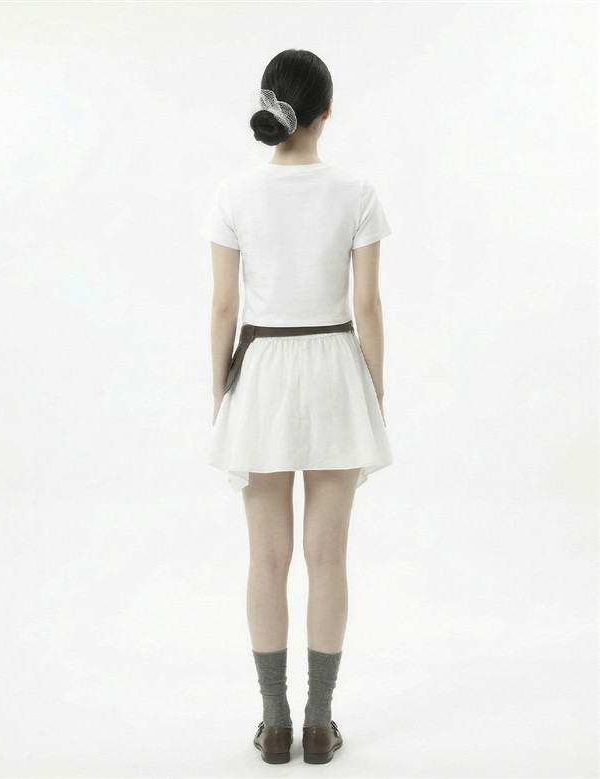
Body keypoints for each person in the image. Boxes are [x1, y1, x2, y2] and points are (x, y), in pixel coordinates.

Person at [200, 48, 394, 765]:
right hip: (335, 367)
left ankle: (275, 720)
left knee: (268, 556)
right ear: (326, 112)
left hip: (262, 371)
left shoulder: (234, 193)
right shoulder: (357, 192)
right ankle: (319, 721)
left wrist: (219, 390)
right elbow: (367, 305)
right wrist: (375, 389)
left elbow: (224, 306)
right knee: (327, 556)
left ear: (269, 105)